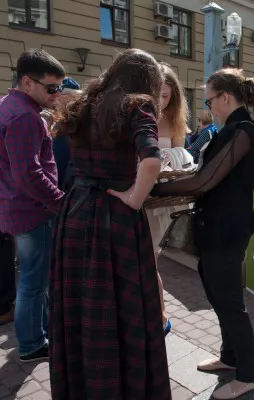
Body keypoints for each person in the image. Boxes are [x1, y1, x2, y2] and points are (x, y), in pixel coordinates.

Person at [50, 49, 171, 399]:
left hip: (75, 211)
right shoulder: (136, 105)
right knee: (118, 306)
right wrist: (134, 198)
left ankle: (84, 387)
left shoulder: (84, 103)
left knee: (81, 306)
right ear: (147, 81)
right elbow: (152, 161)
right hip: (113, 218)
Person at [149, 68, 254, 399]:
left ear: (225, 97)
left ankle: (247, 375)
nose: (207, 106)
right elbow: (205, 175)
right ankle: (230, 358)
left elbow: (203, 181)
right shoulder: (231, 129)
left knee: (230, 304)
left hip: (227, 230)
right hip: (215, 227)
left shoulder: (242, 131)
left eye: (209, 99)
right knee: (218, 297)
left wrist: (155, 187)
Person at [0, 48, 65, 362]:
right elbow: (29, 173)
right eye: (51, 88)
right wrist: (59, 201)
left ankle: (36, 334)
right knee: (33, 280)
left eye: (60, 87)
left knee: (29, 276)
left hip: (19, 207)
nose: (57, 94)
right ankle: (32, 344)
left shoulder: (9, 105)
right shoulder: (26, 115)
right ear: (27, 83)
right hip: (32, 210)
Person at [146, 62, 190, 336]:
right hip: (136, 195)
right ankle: (155, 315)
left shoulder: (175, 119)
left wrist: (164, 160)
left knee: (149, 258)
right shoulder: (138, 113)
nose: (161, 100)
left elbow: (182, 160)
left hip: (159, 200)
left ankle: (159, 316)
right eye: (156, 93)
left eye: (166, 95)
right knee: (144, 259)